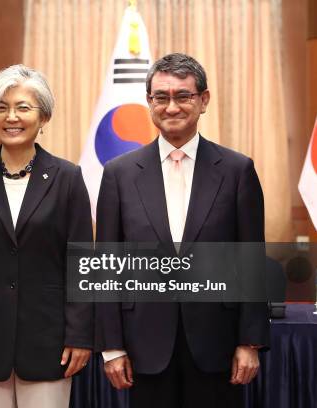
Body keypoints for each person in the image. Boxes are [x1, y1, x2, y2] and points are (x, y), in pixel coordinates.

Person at [95, 53, 269, 408]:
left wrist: (249, 342)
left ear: (203, 100)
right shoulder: (119, 174)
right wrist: (111, 347)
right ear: (149, 102)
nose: (171, 106)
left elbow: (251, 261)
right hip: (143, 345)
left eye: (183, 96)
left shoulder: (237, 170)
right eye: (161, 97)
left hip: (216, 345)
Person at [0, 64, 93, 408]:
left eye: (23, 107)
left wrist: (81, 334)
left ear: (44, 117)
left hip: (50, 340)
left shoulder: (68, 178)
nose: (12, 117)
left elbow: (82, 263)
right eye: (1, 108)